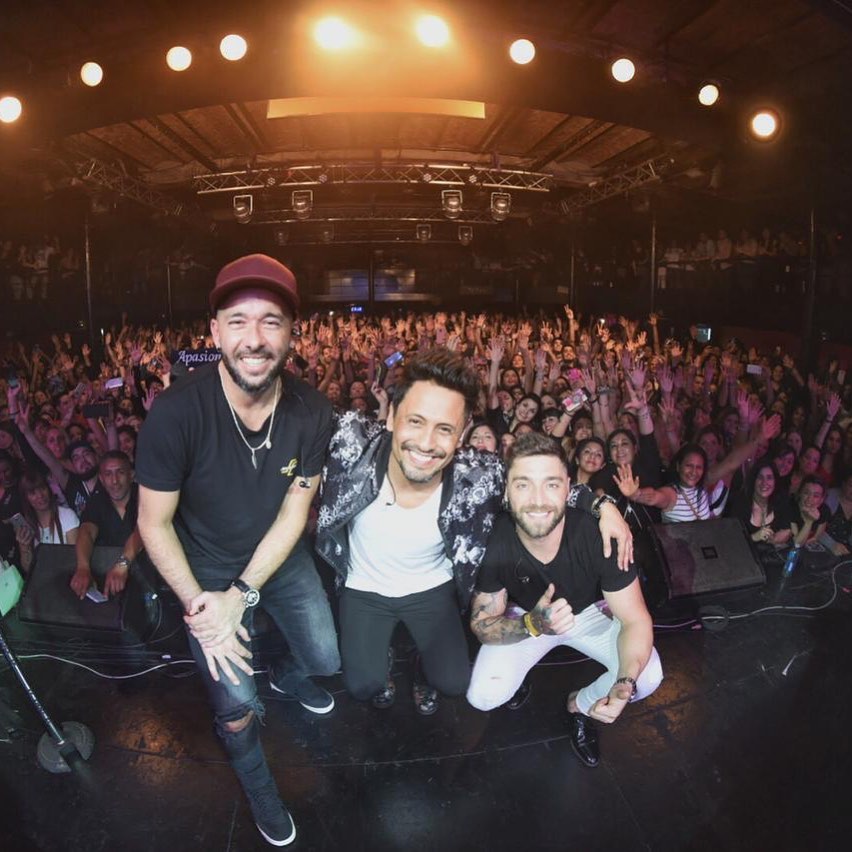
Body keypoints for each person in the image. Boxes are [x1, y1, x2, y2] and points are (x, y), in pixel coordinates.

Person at [136, 254, 339, 848]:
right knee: (235, 704)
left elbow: (295, 511)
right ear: (215, 331)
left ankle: (287, 673)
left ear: (293, 333)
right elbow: (154, 523)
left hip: (277, 557)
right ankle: (259, 788)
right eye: (239, 320)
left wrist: (244, 595)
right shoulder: (176, 414)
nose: (255, 339)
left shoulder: (312, 411)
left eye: (272, 321)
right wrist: (205, 606)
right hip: (203, 568)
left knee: (325, 657)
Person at [316, 350, 632, 717]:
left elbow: (536, 483)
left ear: (463, 431)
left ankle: (420, 668)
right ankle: (379, 656)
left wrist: (602, 506)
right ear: (390, 416)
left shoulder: (476, 474)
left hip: (430, 588)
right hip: (363, 588)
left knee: (451, 683)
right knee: (362, 685)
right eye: (415, 421)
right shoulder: (352, 443)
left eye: (445, 429)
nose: (427, 443)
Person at [466, 433, 662, 769]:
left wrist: (623, 683)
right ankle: (521, 672)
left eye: (551, 484)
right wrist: (533, 623)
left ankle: (579, 706)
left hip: (589, 614)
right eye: (523, 484)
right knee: (483, 696)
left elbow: (635, 620)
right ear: (506, 490)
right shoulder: (494, 540)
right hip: (529, 618)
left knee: (645, 678)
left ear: (568, 488)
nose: (538, 500)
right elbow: (482, 624)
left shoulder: (599, 534)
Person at [70, 451, 143, 599]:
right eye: (108, 474)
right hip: (109, 580)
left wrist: (122, 565)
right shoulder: (97, 502)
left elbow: (142, 532)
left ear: (132, 475)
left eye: (120, 472)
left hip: (145, 576)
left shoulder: (145, 497)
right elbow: (86, 532)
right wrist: (83, 568)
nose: (114, 481)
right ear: (101, 480)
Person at [16, 468, 80, 573]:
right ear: (26, 498)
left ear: (48, 488)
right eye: (33, 493)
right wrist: (24, 548)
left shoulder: (66, 515)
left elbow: (75, 559)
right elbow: (28, 569)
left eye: (42, 488)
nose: (40, 495)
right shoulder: (29, 526)